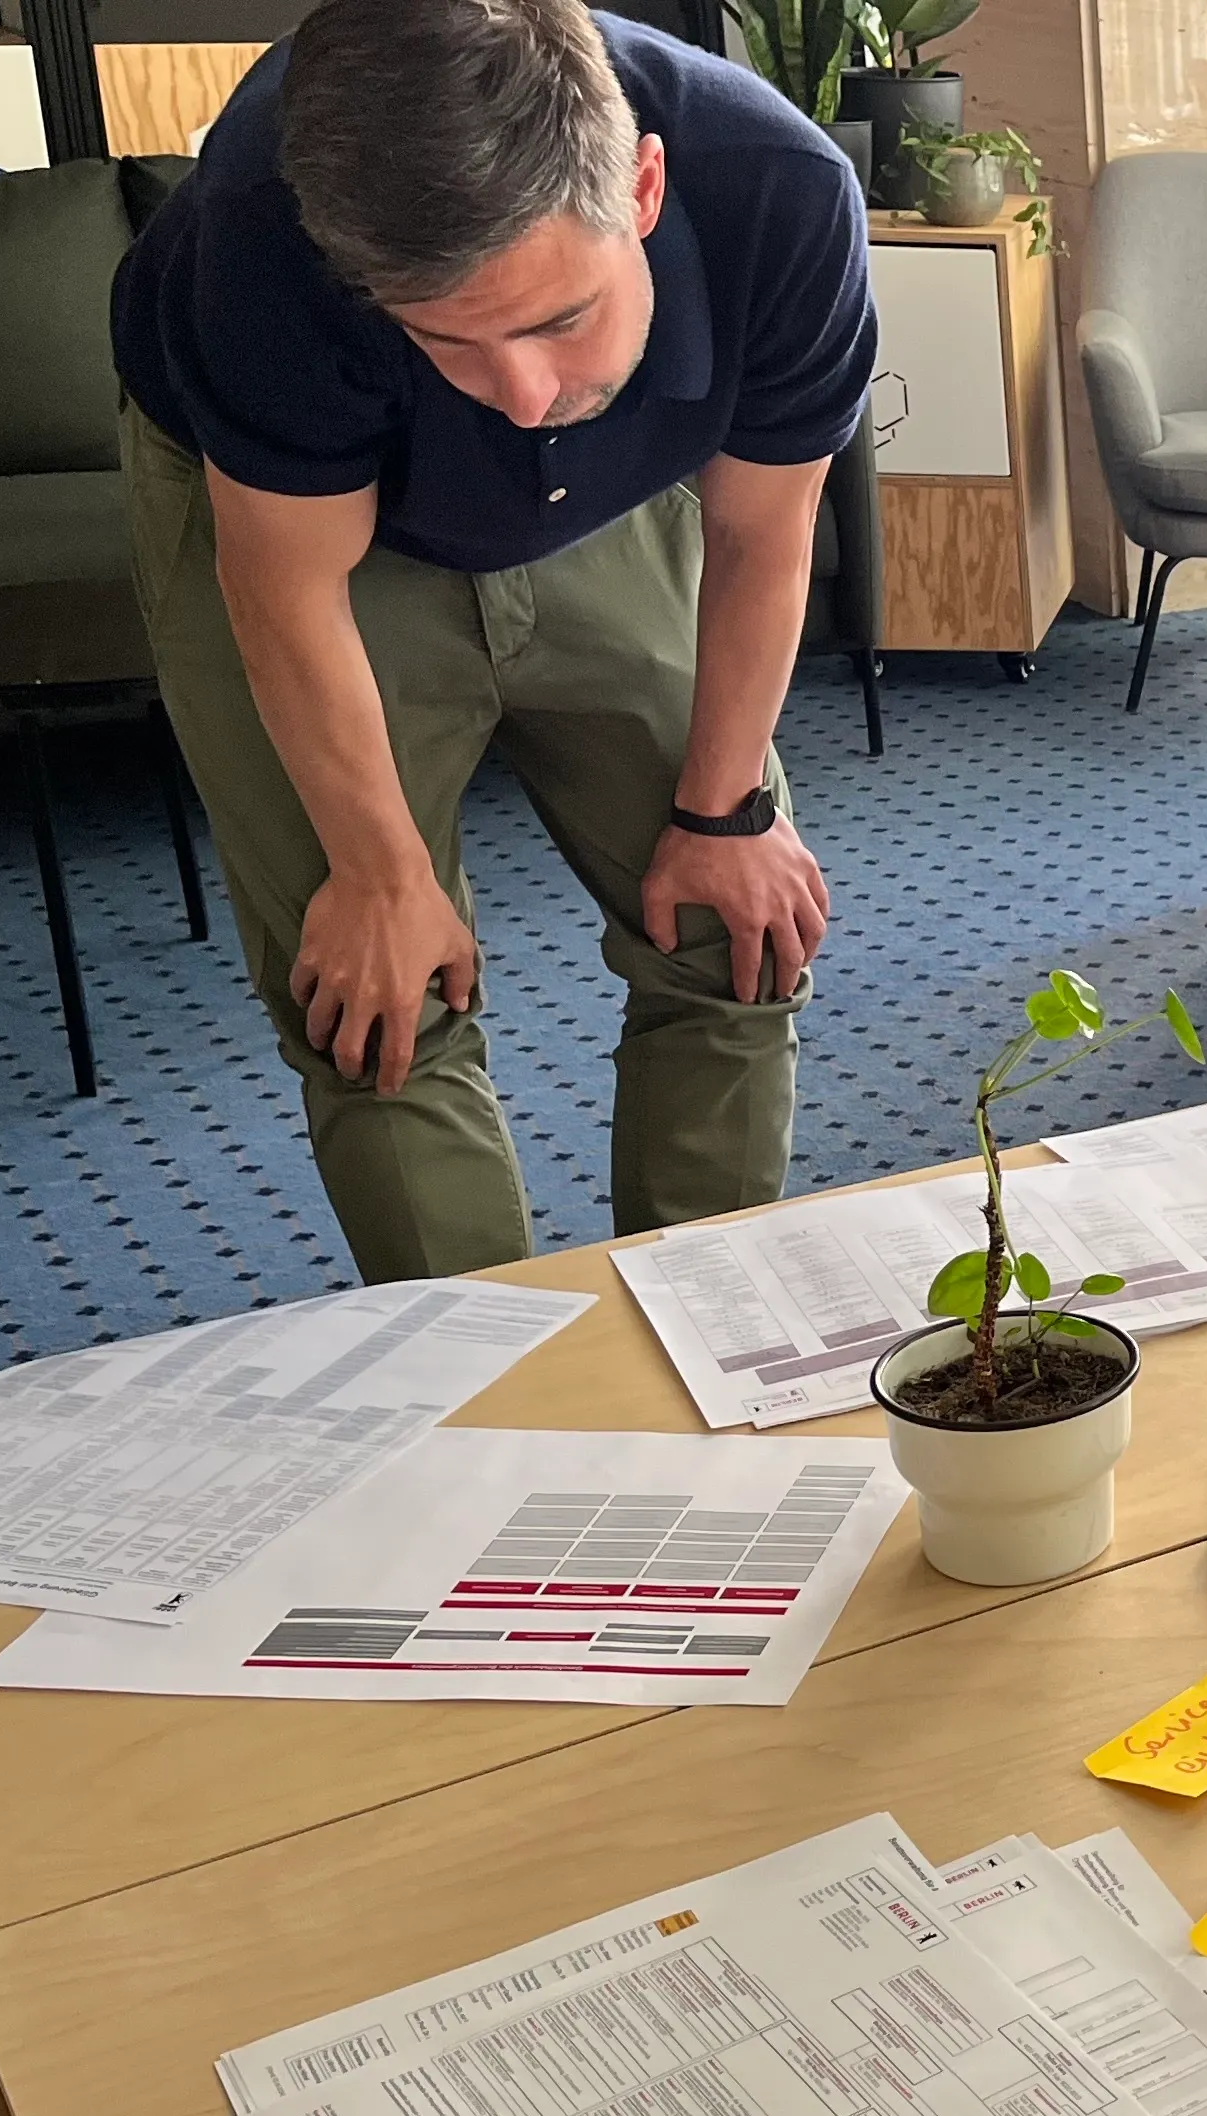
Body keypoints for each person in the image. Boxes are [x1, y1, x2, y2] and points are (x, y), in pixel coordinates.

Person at [115, 0, 874, 1279]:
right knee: (376, 995)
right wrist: (380, 876)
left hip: (615, 500)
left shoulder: (781, 194)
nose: (522, 396)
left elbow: (763, 534)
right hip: (302, 530)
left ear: (643, 188)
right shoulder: (262, 229)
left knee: (732, 924)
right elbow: (291, 593)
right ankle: (491, 1376)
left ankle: (704, 1323)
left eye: (560, 318)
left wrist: (726, 813)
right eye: (448, 337)